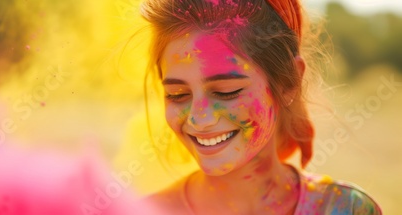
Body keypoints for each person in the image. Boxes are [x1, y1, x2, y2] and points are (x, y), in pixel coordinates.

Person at [139, 0, 383, 214]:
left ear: (289, 82)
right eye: (177, 95)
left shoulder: (346, 209)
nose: (199, 118)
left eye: (227, 92)